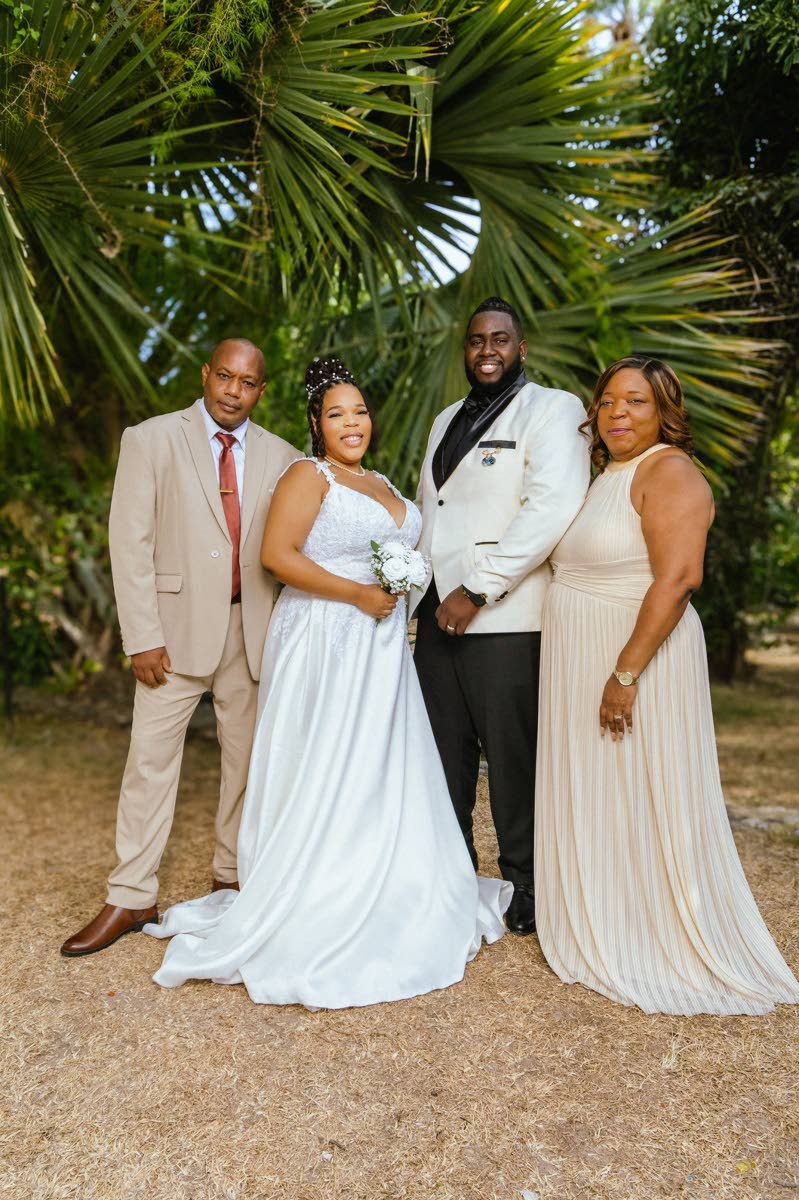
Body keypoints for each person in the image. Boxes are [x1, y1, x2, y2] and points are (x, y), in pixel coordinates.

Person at [143, 356, 512, 1008]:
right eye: (337, 413)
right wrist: (357, 593)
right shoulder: (307, 475)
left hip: (379, 650)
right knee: (327, 757)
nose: (352, 422)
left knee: (376, 761)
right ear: (316, 423)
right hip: (323, 637)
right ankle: (324, 886)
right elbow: (276, 557)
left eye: (360, 411)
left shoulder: (382, 482)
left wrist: (401, 588)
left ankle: (385, 875)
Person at [535, 354, 799, 1015]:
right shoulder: (604, 476)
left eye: (636, 401)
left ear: (664, 412)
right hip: (587, 655)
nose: (617, 412)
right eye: (607, 401)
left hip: (636, 657)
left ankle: (653, 931)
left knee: (645, 787)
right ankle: (609, 915)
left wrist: (625, 673)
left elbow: (678, 578)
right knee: (608, 788)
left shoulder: (669, 471)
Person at [61, 338, 298, 957]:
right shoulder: (151, 439)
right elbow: (130, 544)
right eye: (225, 377)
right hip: (170, 635)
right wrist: (142, 635)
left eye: (247, 383)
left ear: (260, 390)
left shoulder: (284, 455)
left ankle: (232, 877)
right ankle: (131, 895)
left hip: (252, 632)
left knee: (246, 765)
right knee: (148, 764)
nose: (233, 392)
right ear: (206, 374)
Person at [412, 297, 590, 935]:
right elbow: (433, 510)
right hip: (435, 616)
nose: (487, 350)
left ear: (521, 348)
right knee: (443, 754)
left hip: (506, 618)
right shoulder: (444, 419)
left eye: (500, 339)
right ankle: (454, 872)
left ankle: (528, 883)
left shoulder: (554, 409)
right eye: (476, 340)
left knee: (514, 759)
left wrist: (477, 589)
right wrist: (415, 591)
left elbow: (550, 509)